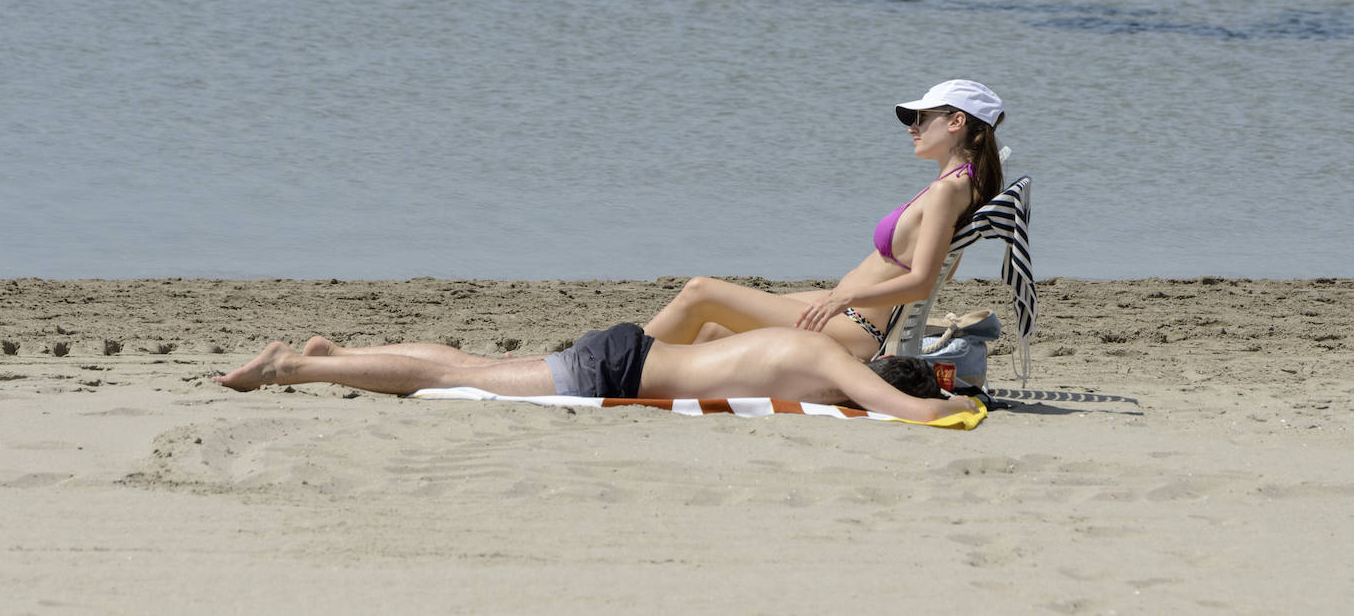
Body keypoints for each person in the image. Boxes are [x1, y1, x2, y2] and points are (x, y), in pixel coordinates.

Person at [642, 79, 1006, 360]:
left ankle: (617, 360)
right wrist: (841, 298)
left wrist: (843, 298)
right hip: (849, 311)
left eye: (923, 118)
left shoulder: (948, 191)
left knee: (699, 292)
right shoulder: (960, 184)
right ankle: (648, 372)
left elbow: (922, 283)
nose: (913, 127)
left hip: (857, 326)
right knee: (712, 330)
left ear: (957, 121)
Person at [213, 323, 980, 423]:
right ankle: (290, 367)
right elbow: (904, 410)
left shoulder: (826, 355)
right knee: (447, 383)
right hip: (615, 366)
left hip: (630, 354)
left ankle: (331, 356)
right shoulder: (832, 368)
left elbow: (718, 336)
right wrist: (958, 407)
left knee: (476, 366)